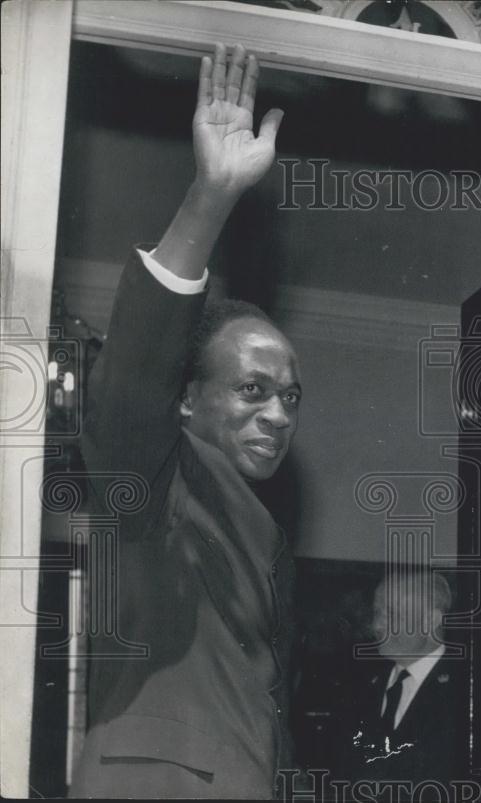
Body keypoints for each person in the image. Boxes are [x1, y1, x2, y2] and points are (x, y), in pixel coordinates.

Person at [71, 44, 297, 799]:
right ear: (187, 399)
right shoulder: (153, 477)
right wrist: (212, 196)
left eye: (290, 397)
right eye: (253, 389)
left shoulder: (260, 526)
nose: (277, 413)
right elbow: (134, 377)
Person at [340, 570, 463, 794]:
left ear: (430, 620)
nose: (376, 625)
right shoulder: (363, 685)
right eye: (376, 613)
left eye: (391, 615)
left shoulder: (466, 691)